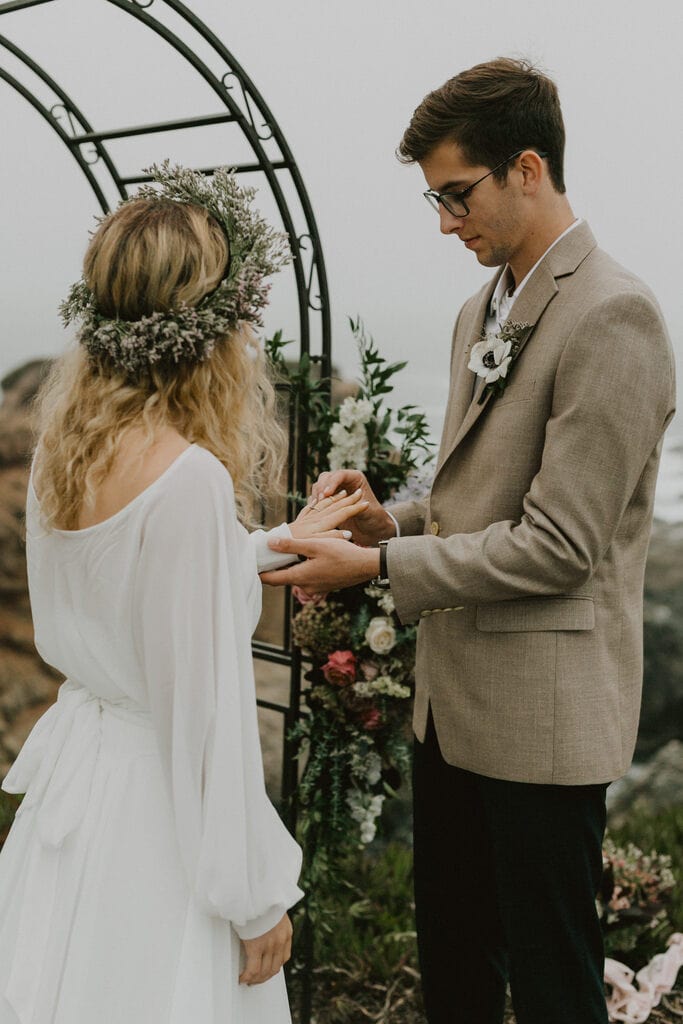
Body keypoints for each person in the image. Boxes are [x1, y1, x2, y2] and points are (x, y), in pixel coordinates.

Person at [260, 59, 677, 1024]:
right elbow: (479, 493)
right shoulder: (475, 311)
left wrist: (373, 567)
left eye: (457, 195)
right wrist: (391, 516)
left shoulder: (614, 313)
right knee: (452, 968)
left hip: (544, 722)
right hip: (449, 712)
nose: (447, 222)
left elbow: (559, 545)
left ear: (527, 167)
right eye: (435, 202)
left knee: (551, 984)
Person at [0, 162, 366, 1024]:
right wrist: (254, 899)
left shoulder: (64, 449)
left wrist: (274, 545)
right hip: (156, 824)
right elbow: (201, 717)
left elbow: (132, 596)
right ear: (213, 328)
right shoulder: (190, 478)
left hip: (78, 796)